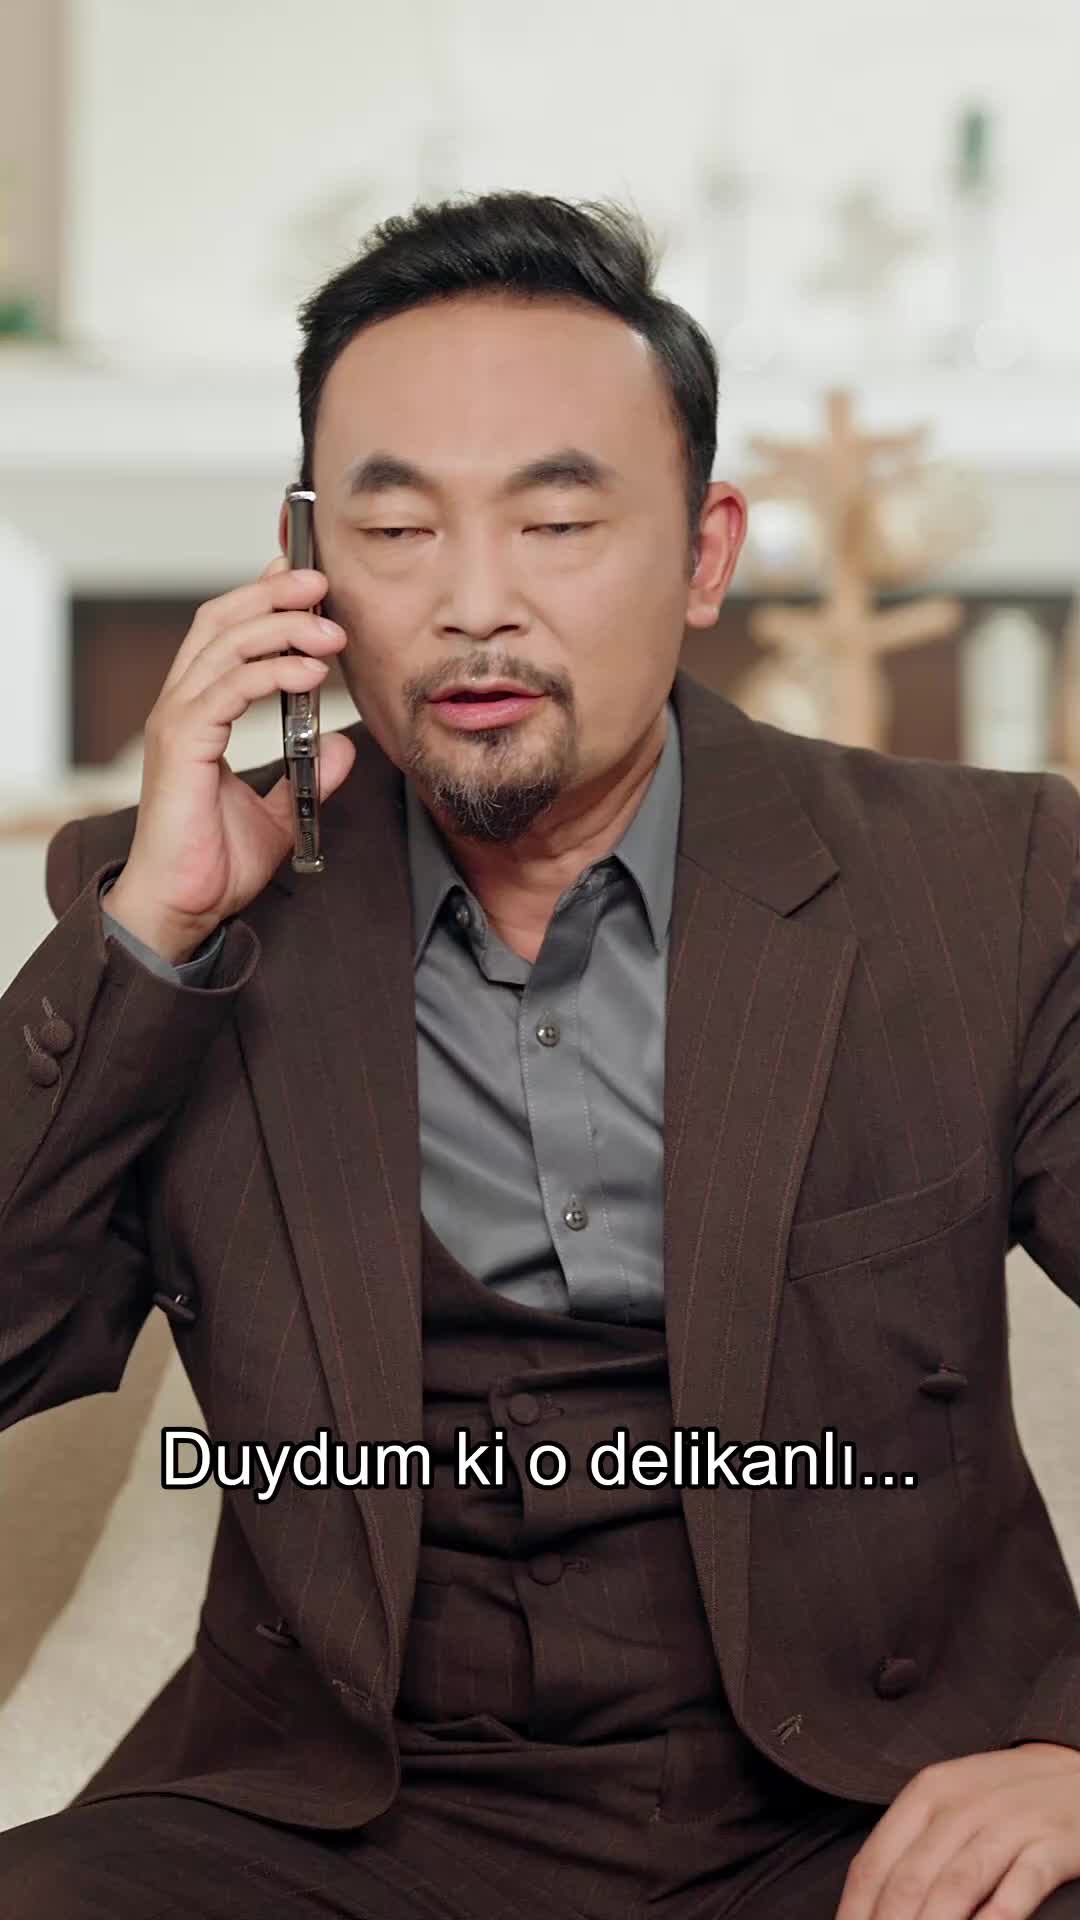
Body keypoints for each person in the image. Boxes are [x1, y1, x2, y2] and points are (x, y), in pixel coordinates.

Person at [2, 189, 1080, 1920]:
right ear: (303, 563)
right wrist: (159, 929)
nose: (475, 604)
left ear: (706, 555)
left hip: (852, 1814)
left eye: (560, 520)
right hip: (344, 1830)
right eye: (397, 528)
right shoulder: (183, 904)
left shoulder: (986, 882)